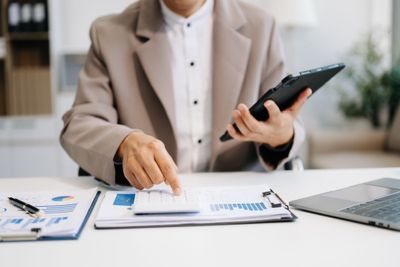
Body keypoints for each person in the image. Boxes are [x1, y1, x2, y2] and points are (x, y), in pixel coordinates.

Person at [60, 0, 311, 195]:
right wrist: (125, 143)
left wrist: (281, 136)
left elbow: (286, 121)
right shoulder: (109, 33)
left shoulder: (261, 25)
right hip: (150, 201)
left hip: (241, 200)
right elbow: (79, 124)